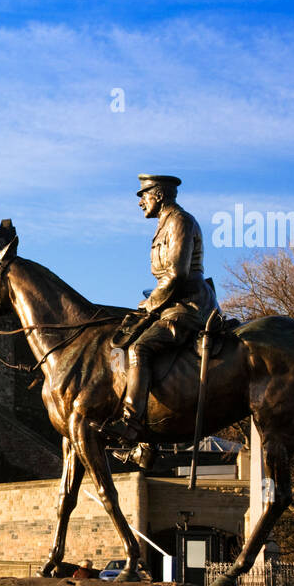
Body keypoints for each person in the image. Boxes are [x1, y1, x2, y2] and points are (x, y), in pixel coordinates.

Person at [101, 175, 218, 458]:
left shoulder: (180, 221)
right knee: (125, 340)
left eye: (145, 195)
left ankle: (131, 425)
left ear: (161, 195)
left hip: (189, 305)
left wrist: (151, 303)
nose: (141, 201)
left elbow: (177, 274)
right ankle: (147, 444)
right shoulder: (163, 225)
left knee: (141, 348)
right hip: (169, 302)